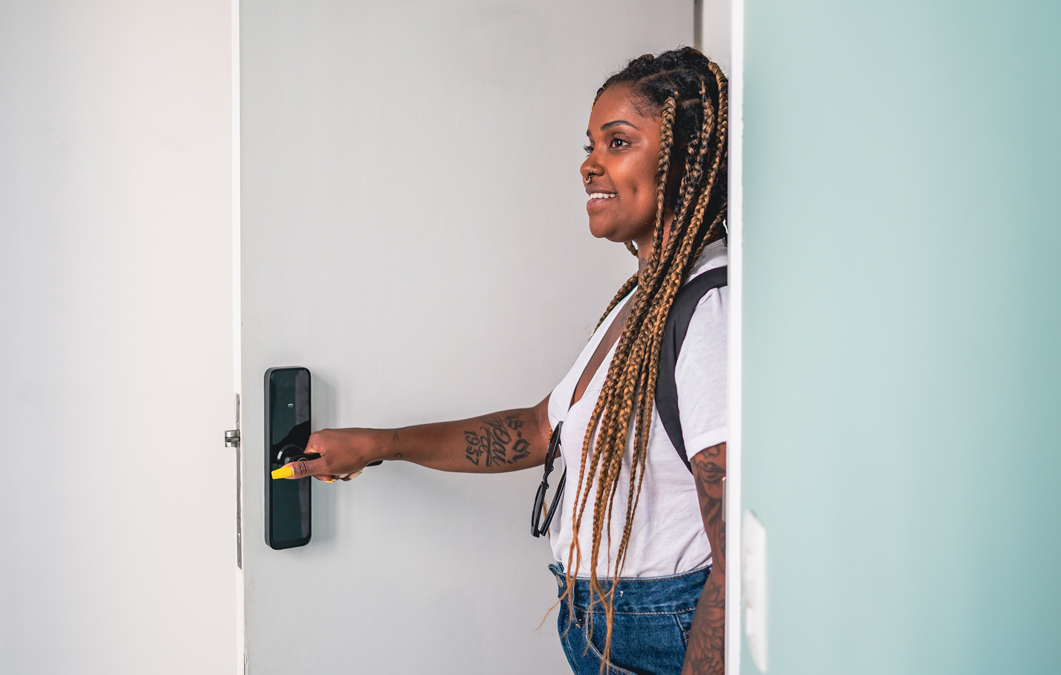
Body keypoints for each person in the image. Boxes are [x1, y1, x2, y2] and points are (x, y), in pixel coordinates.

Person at [272, 47, 729, 675]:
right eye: (591, 145)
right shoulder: (644, 297)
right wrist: (378, 443)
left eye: (616, 142)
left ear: (683, 156)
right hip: (606, 625)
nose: (588, 165)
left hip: (661, 633)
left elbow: (736, 558)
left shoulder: (708, 307)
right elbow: (539, 431)